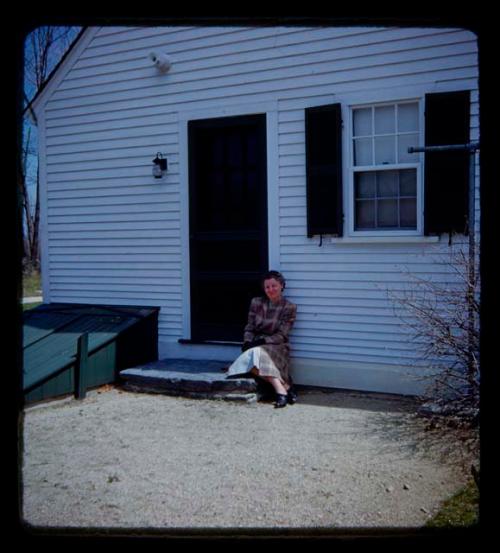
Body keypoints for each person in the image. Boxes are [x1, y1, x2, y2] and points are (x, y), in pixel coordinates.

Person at [226, 270, 298, 408]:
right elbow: (249, 327)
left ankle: (281, 391)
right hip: (255, 343)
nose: (270, 289)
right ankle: (284, 388)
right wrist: (247, 341)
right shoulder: (256, 302)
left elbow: (282, 335)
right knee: (252, 358)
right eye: (267, 287)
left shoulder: (289, 307)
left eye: (274, 286)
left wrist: (261, 342)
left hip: (277, 345)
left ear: (282, 285)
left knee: (254, 355)